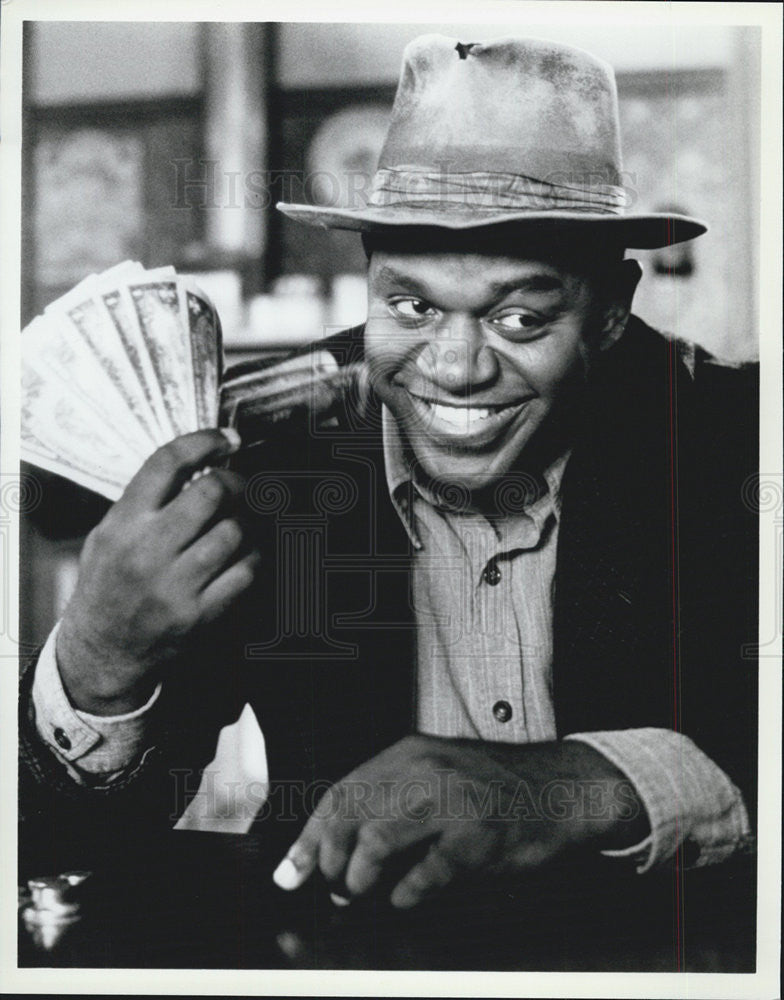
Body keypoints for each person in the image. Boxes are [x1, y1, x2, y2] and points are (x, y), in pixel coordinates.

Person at [20, 35, 757, 923]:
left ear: (610, 312)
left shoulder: (739, 443)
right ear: (366, 276)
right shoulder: (266, 460)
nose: (454, 367)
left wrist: (569, 788)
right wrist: (100, 663)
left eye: (520, 316)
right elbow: (56, 848)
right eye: (409, 305)